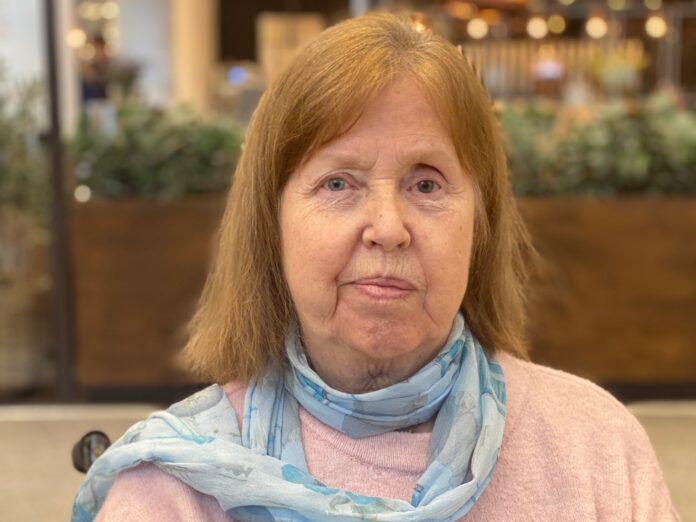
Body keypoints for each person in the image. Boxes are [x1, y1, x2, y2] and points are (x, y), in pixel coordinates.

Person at [72, 13, 678, 522]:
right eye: (338, 183)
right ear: (272, 223)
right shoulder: (170, 493)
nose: (388, 227)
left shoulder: (596, 449)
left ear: (481, 222)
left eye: (426, 183)